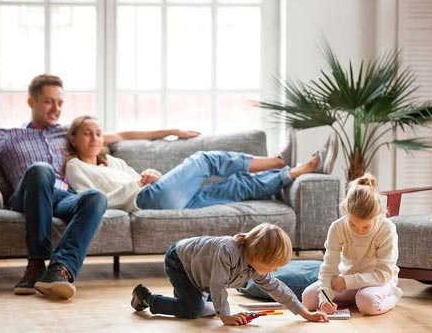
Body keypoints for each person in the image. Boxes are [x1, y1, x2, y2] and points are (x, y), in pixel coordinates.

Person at [0, 74, 199, 300]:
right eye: (49, 101)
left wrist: (172, 132)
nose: (56, 108)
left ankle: (60, 271)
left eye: (60, 103)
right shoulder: (8, 136)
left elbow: (122, 135)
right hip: (29, 196)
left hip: (63, 197)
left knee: (96, 197)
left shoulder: (68, 133)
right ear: (31, 102)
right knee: (41, 169)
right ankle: (36, 264)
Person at [64, 116, 339, 212]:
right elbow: (92, 200)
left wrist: (150, 173)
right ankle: (278, 161)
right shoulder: (76, 167)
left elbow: (140, 177)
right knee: (204, 160)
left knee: (235, 187)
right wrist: (139, 184)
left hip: (159, 194)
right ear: (73, 139)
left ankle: (296, 170)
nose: (94, 138)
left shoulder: (112, 161)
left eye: (98, 133)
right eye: (87, 133)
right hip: (144, 200)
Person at [131, 223, 328, 325]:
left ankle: (185, 298)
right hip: (180, 261)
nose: (275, 270)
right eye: (273, 265)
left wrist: (305, 313)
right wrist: (226, 316)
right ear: (259, 256)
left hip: (201, 271)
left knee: (204, 308)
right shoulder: (227, 250)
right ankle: (147, 298)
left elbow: (278, 289)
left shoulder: (255, 267)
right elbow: (218, 286)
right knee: (194, 311)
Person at [302, 173, 403, 316]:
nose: (359, 231)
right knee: (308, 299)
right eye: (353, 225)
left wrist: (346, 281)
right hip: (347, 279)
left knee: (368, 303)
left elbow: (383, 274)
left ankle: (392, 296)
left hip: (379, 281)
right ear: (345, 211)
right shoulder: (337, 227)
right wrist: (325, 299)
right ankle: (354, 299)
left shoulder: (387, 229)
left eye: (366, 227)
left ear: (378, 215)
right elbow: (329, 268)